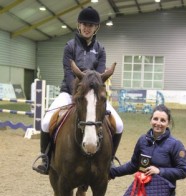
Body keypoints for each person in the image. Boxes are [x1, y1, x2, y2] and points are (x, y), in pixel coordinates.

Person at [34, 6, 123, 174]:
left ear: (96, 27)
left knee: (118, 124)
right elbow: (69, 74)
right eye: (84, 24)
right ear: (78, 25)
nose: (87, 28)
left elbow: (99, 74)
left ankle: (110, 160)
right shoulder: (69, 47)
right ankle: (45, 158)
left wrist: (91, 94)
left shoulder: (101, 49)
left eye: (91, 25)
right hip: (69, 92)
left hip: (93, 95)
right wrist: (76, 95)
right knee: (46, 122)